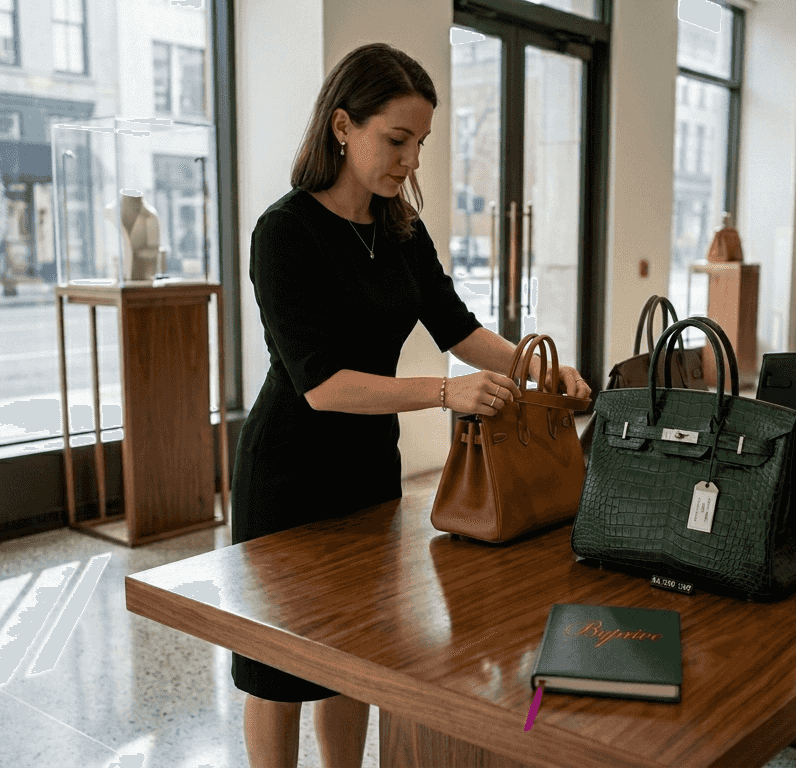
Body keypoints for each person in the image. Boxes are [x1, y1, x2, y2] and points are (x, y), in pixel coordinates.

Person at [233, 42, 590, 767]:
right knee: (274, 671)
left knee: (355, 658)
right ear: (342, 126)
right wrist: (442, 393)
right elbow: (322, 384)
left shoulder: (399, 228)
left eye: (419, 144)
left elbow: (457, 328)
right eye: (397, 140)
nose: (410, 161)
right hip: (289, 476)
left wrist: (536, 369)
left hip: (368, 471)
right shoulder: (284, 232)